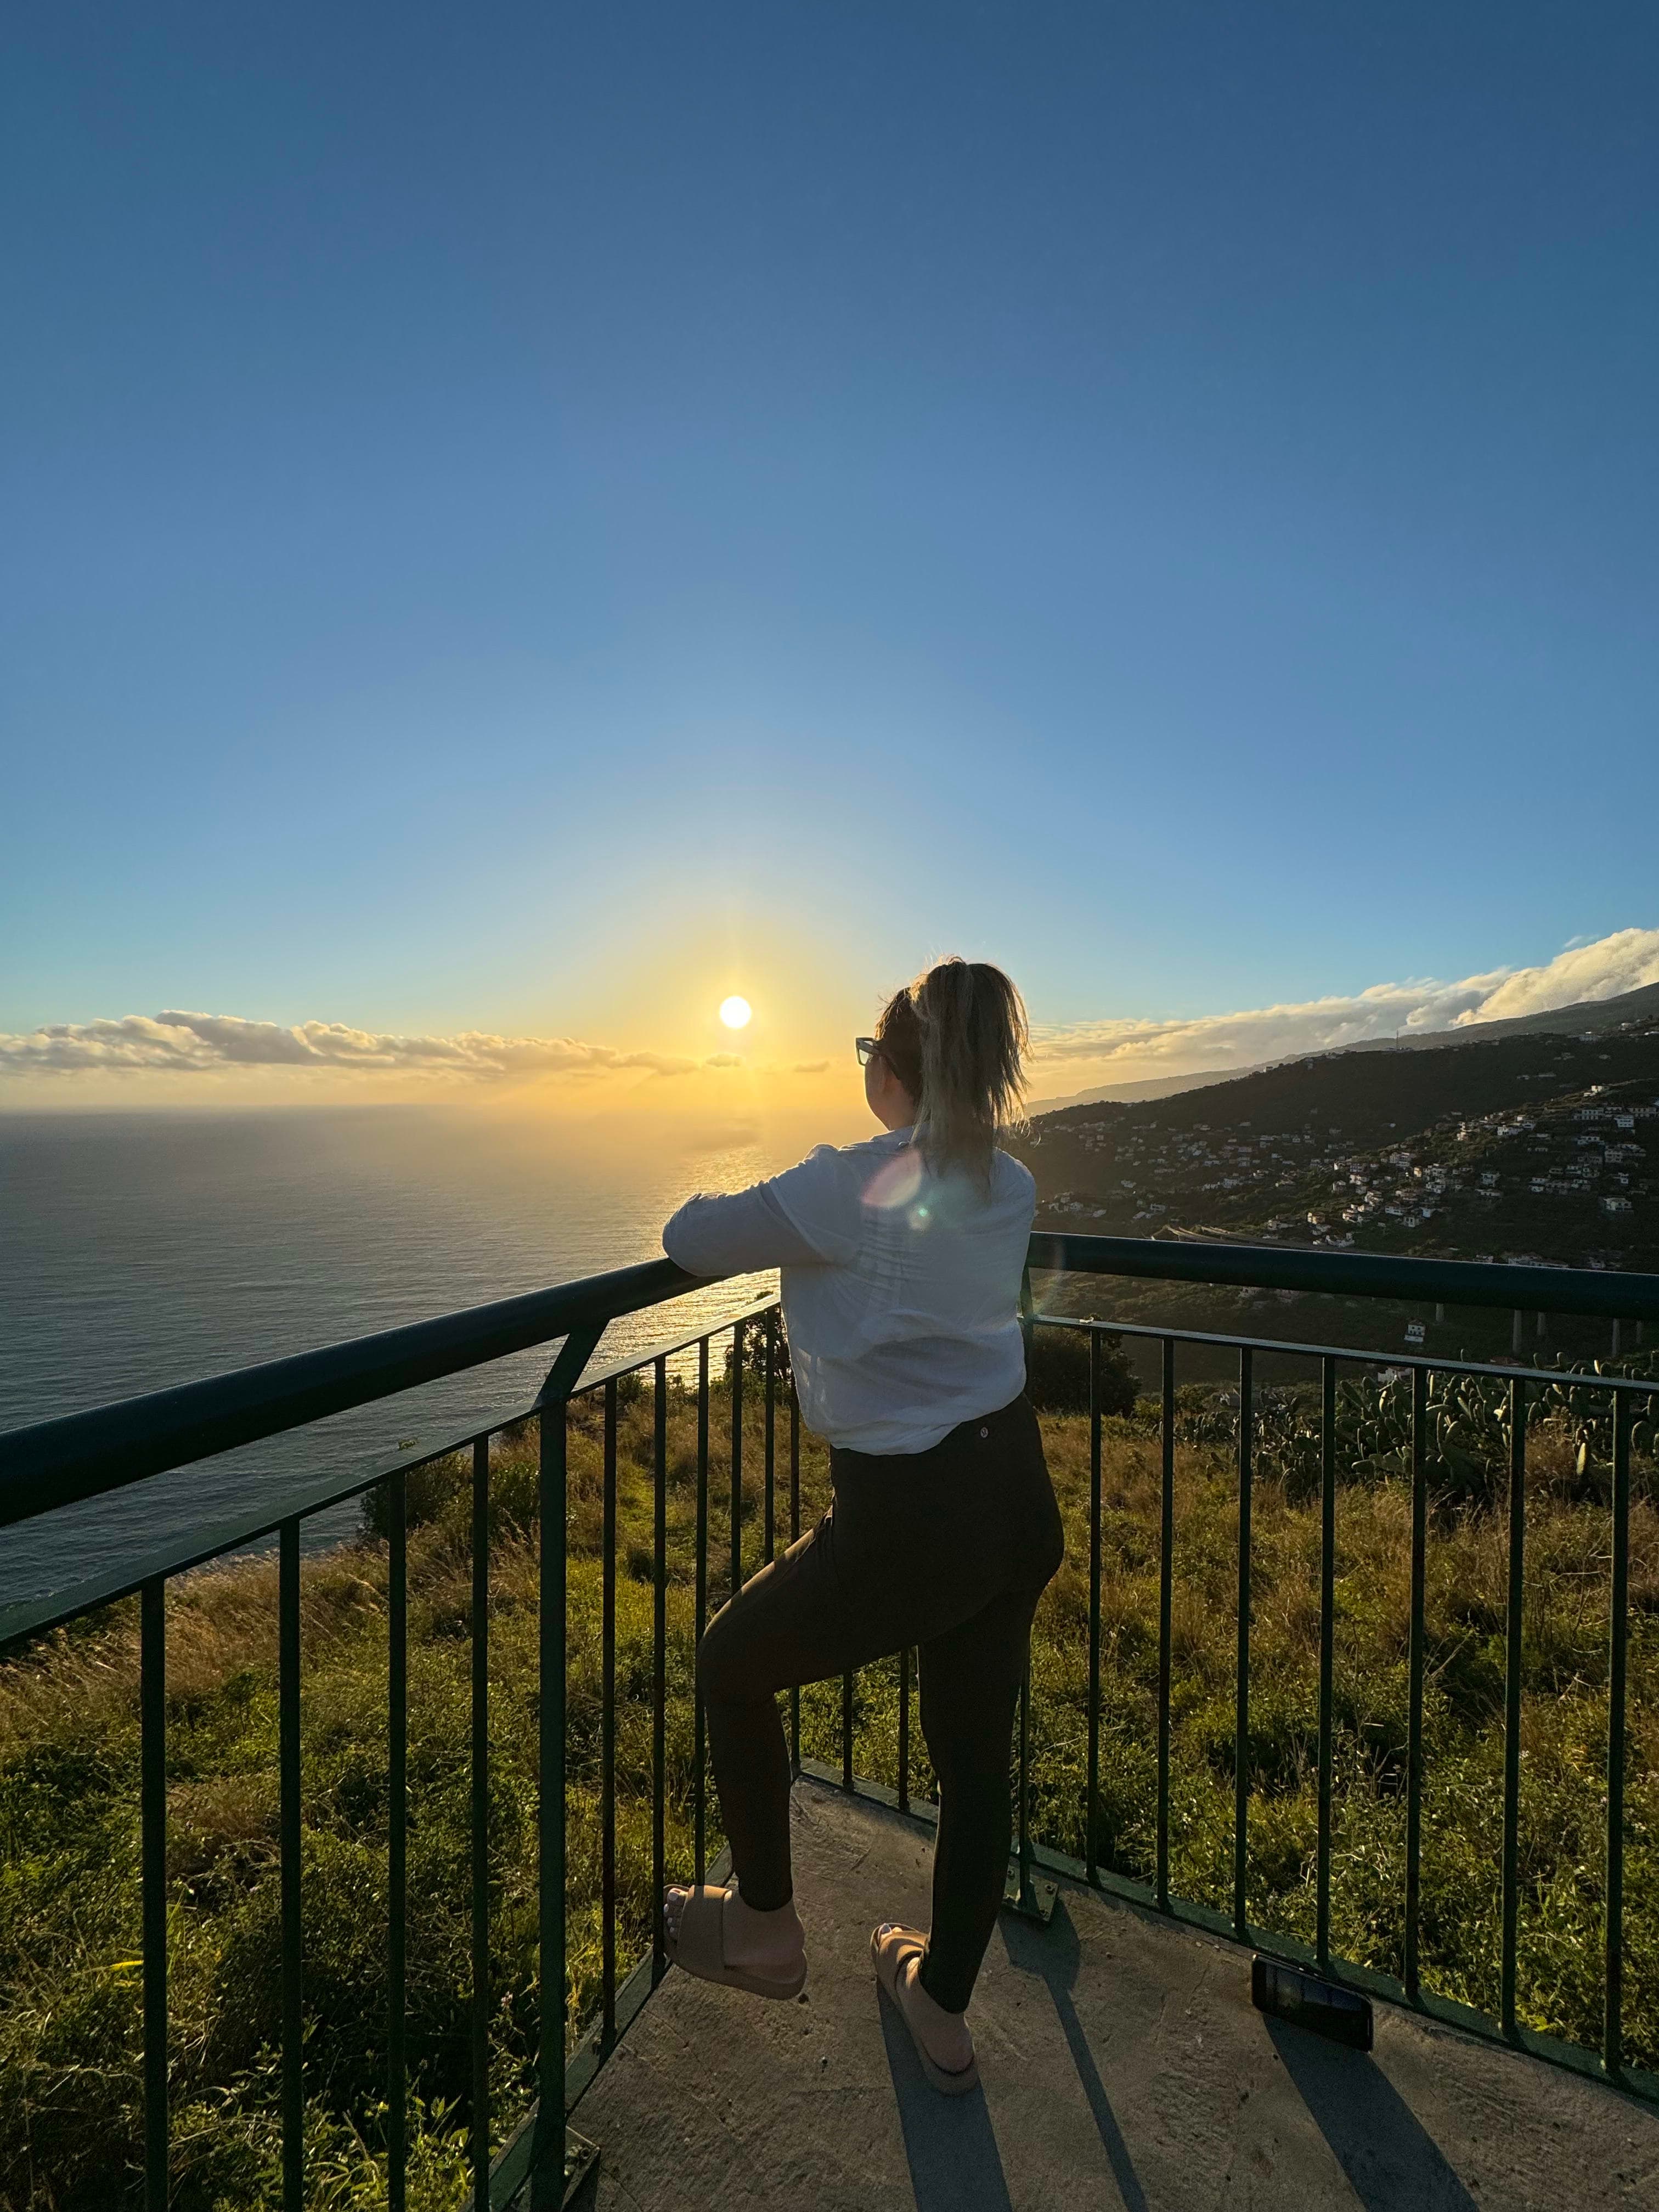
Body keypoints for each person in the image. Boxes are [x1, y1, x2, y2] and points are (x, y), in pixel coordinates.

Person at [658, 957, 1064, 2096]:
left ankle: (764, 1926)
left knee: (730, 1664)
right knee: (973, 1761)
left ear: (892, 1067)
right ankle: (942, 2009)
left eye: (866, 1055)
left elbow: (688, 1234)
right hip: (1015, 1492)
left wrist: (805, 1198)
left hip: (910, 1516)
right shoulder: (1011, 1183)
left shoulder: (851, 1183)